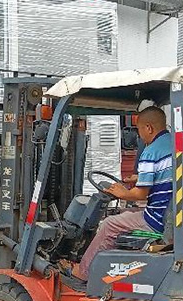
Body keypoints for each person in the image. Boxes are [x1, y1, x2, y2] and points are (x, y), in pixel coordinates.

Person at [70, 106, 175, 281]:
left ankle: (84, 272)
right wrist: (140, 178)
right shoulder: (177, 146)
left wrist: (122, 193)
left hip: (157, 220)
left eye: (139, 130)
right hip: (172, 214)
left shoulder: (151, 151)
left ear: (148, 128)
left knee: (109, 224)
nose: (139, 135)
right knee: (124, 213)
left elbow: (140, 194)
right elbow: (169, 177)